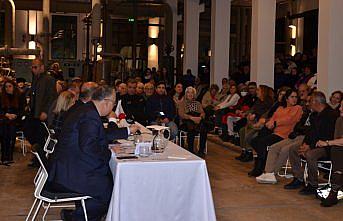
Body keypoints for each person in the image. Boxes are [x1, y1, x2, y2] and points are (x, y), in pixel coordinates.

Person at [48, 86, 120, 221]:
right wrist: (109, 153)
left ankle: (75, 215)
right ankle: (75, 218)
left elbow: (89, 142)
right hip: (71, 171)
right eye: (114, 103)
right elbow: (88, 148)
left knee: (108, 180)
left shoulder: (86, 110)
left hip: (67, 164)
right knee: (111, 192)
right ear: (106, 102)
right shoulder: (90, 116)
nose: (113, 107)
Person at [284, 91, 339, 195]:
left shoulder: (331, 115)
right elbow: (310, 132)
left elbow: (327, 136)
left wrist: (310, 147)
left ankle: (312, 184)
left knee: (311, 155)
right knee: (293, 149)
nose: (308, 104)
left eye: (310, 101)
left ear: (315, 101)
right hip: (314, 144)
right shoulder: (314, 114)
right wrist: (305, 144)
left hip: (327, 146)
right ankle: (299, 178)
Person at [256, 94, 313, 184]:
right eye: (307, 101)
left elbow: (291, 121)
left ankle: (272, 173)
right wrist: (271, 122)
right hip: (294, 134)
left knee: (284, 149)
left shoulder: (300, 109)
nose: (307, 103)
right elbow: (298, 125)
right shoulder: (305, 113)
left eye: (310, 101)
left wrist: (274, 123)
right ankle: (267, 172)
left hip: (299, 136)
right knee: (273, 147)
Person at [249, 89, 303, 177]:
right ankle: (262, 163)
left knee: (262, 143)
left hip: (285, 134)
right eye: (292, 97)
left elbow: (290, 119)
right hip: (275, 132)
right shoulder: (280, 108)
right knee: (254, 141)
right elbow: (273, 117)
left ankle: (259, 167)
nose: (294, 99)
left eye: (296, 97)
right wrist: (270, 122)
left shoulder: (297, 108)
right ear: (286, 98)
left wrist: (275, 123)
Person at [25, 58, 57, 167]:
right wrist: (29, 105)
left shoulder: (49, 80)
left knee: (40, 136)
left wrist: (45, 111)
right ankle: (37, 153)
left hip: (42, 113)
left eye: (35, 67)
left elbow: (51, 97)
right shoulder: (35, 79)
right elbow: (33, 94)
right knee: (28, 130)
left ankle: (40, 159)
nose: (33, 69)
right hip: (34, 112)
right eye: (32, 67)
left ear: (42, 67)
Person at [316, 100, 343, 207]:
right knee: (336, 149)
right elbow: (339, 139)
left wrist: (327, 143)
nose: (339, 109)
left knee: (335, 148)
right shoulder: (340, 120)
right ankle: (335, 189)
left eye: (342, 106)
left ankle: (334, 190)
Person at [0, 79, 25, 165]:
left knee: (10, 128)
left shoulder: (20, 96)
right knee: (5, 128)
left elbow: (22, 110)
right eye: (6, 87)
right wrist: (6, 114)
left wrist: (15, 115)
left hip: (16, 120)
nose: (7, 88)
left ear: (14, 87)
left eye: (9, 86)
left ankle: (8, 156)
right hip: (4, 119)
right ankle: (5, 156)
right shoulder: (1, 96)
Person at [178, 87, 207, 157]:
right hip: (186, 121)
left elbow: (203, 113)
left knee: (204, 129)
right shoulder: (182, 103)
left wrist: (200, 117)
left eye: (192, 92)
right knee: (191, 129)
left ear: (194, 94)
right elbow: (181, 114)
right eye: (188, 92)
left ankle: (201, 150)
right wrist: (191, 118)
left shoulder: (198, 103)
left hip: (197, 119)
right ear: (186, 94)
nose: (190, 94)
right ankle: (191, 150)